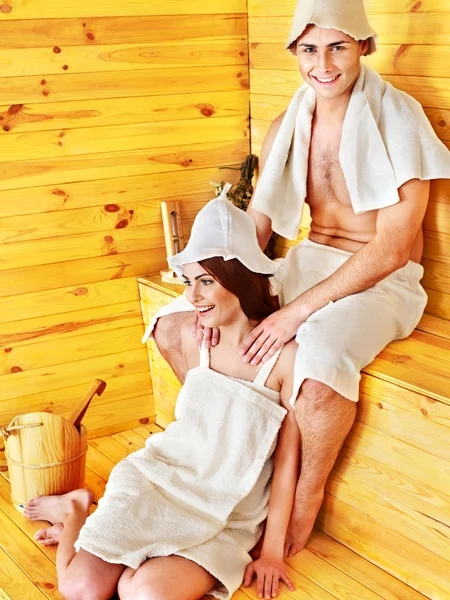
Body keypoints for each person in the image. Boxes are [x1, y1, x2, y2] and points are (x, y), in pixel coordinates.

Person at [147, 0, 450, 557]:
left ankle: (299, 511)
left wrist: (293, 312)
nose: (324, 64)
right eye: (310, 49)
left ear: (364, 45)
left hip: (383, 282)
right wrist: (215, 294)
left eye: (338, 46)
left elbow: (389, 249)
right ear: (295, 52)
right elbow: (258, 225)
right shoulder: (290, 122)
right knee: (172, 324)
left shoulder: (398, 116)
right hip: (310, 260)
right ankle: (221, 458)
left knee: (318, 359)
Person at [24, 197, 300, 600]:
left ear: (240, 277)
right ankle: (75, 512)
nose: (193, 296)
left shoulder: (284, 359)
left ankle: (91, 528)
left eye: (206, 281)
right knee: (81, 589)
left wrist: (272, 550)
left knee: (144, 594)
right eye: (189, 282)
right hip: (160, 480)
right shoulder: (194, 337)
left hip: (223, 512)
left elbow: (287, 458)